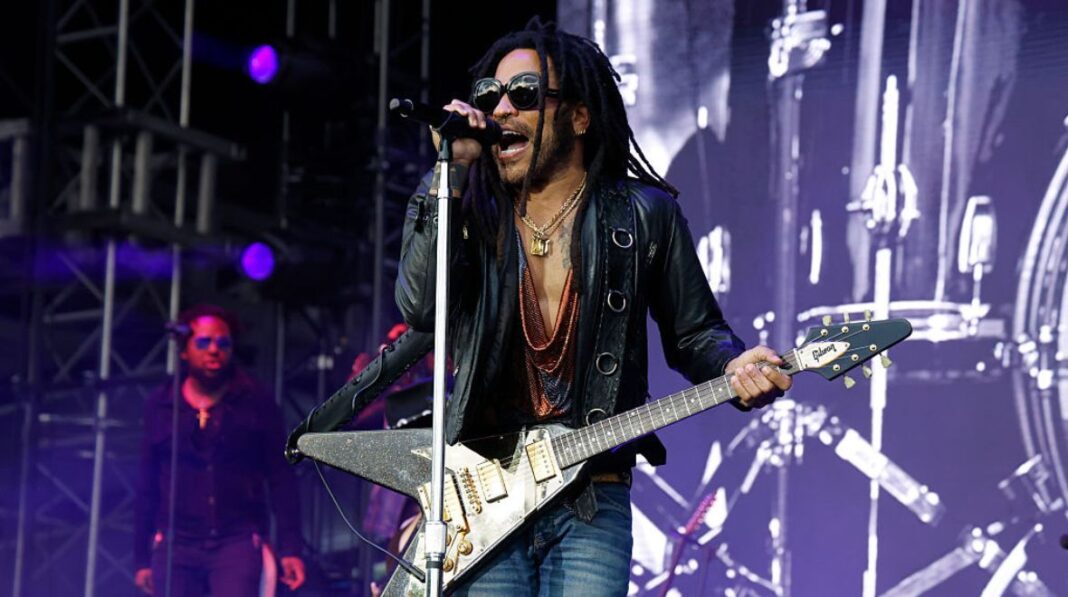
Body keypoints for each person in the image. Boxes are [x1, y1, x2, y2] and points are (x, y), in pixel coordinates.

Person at [394, 17, 792, 596]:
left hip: (591, 494)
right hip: (483, 494)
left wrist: (734, 366)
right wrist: (447, 178)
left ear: (579, 117)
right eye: (490, 95)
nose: (501, 109)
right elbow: (419, 307)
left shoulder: (643, 215)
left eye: (524, 94)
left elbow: (695, 334)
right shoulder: (472, 215)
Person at [134, 304, 306, 596]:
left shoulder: (255, 400)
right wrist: (141, 559)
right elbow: (147, 483)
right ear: (185, 350)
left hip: (237, 540)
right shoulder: (162, 404)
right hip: (176, 542)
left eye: (223, 343)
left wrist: (291, 548)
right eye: (203, 342)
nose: (214, 350)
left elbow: (281, 477)